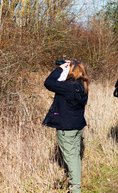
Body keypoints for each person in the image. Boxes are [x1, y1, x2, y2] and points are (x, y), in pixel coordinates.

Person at [42, 59, 89, 193]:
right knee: (75, 156)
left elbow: (48, 83)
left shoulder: (68, 86)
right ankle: (74, 186)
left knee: (71, 158)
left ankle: (75, 189)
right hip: (77, 125)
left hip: (66, 128)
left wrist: (60, 69)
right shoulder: (82, 85)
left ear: (71, 70)